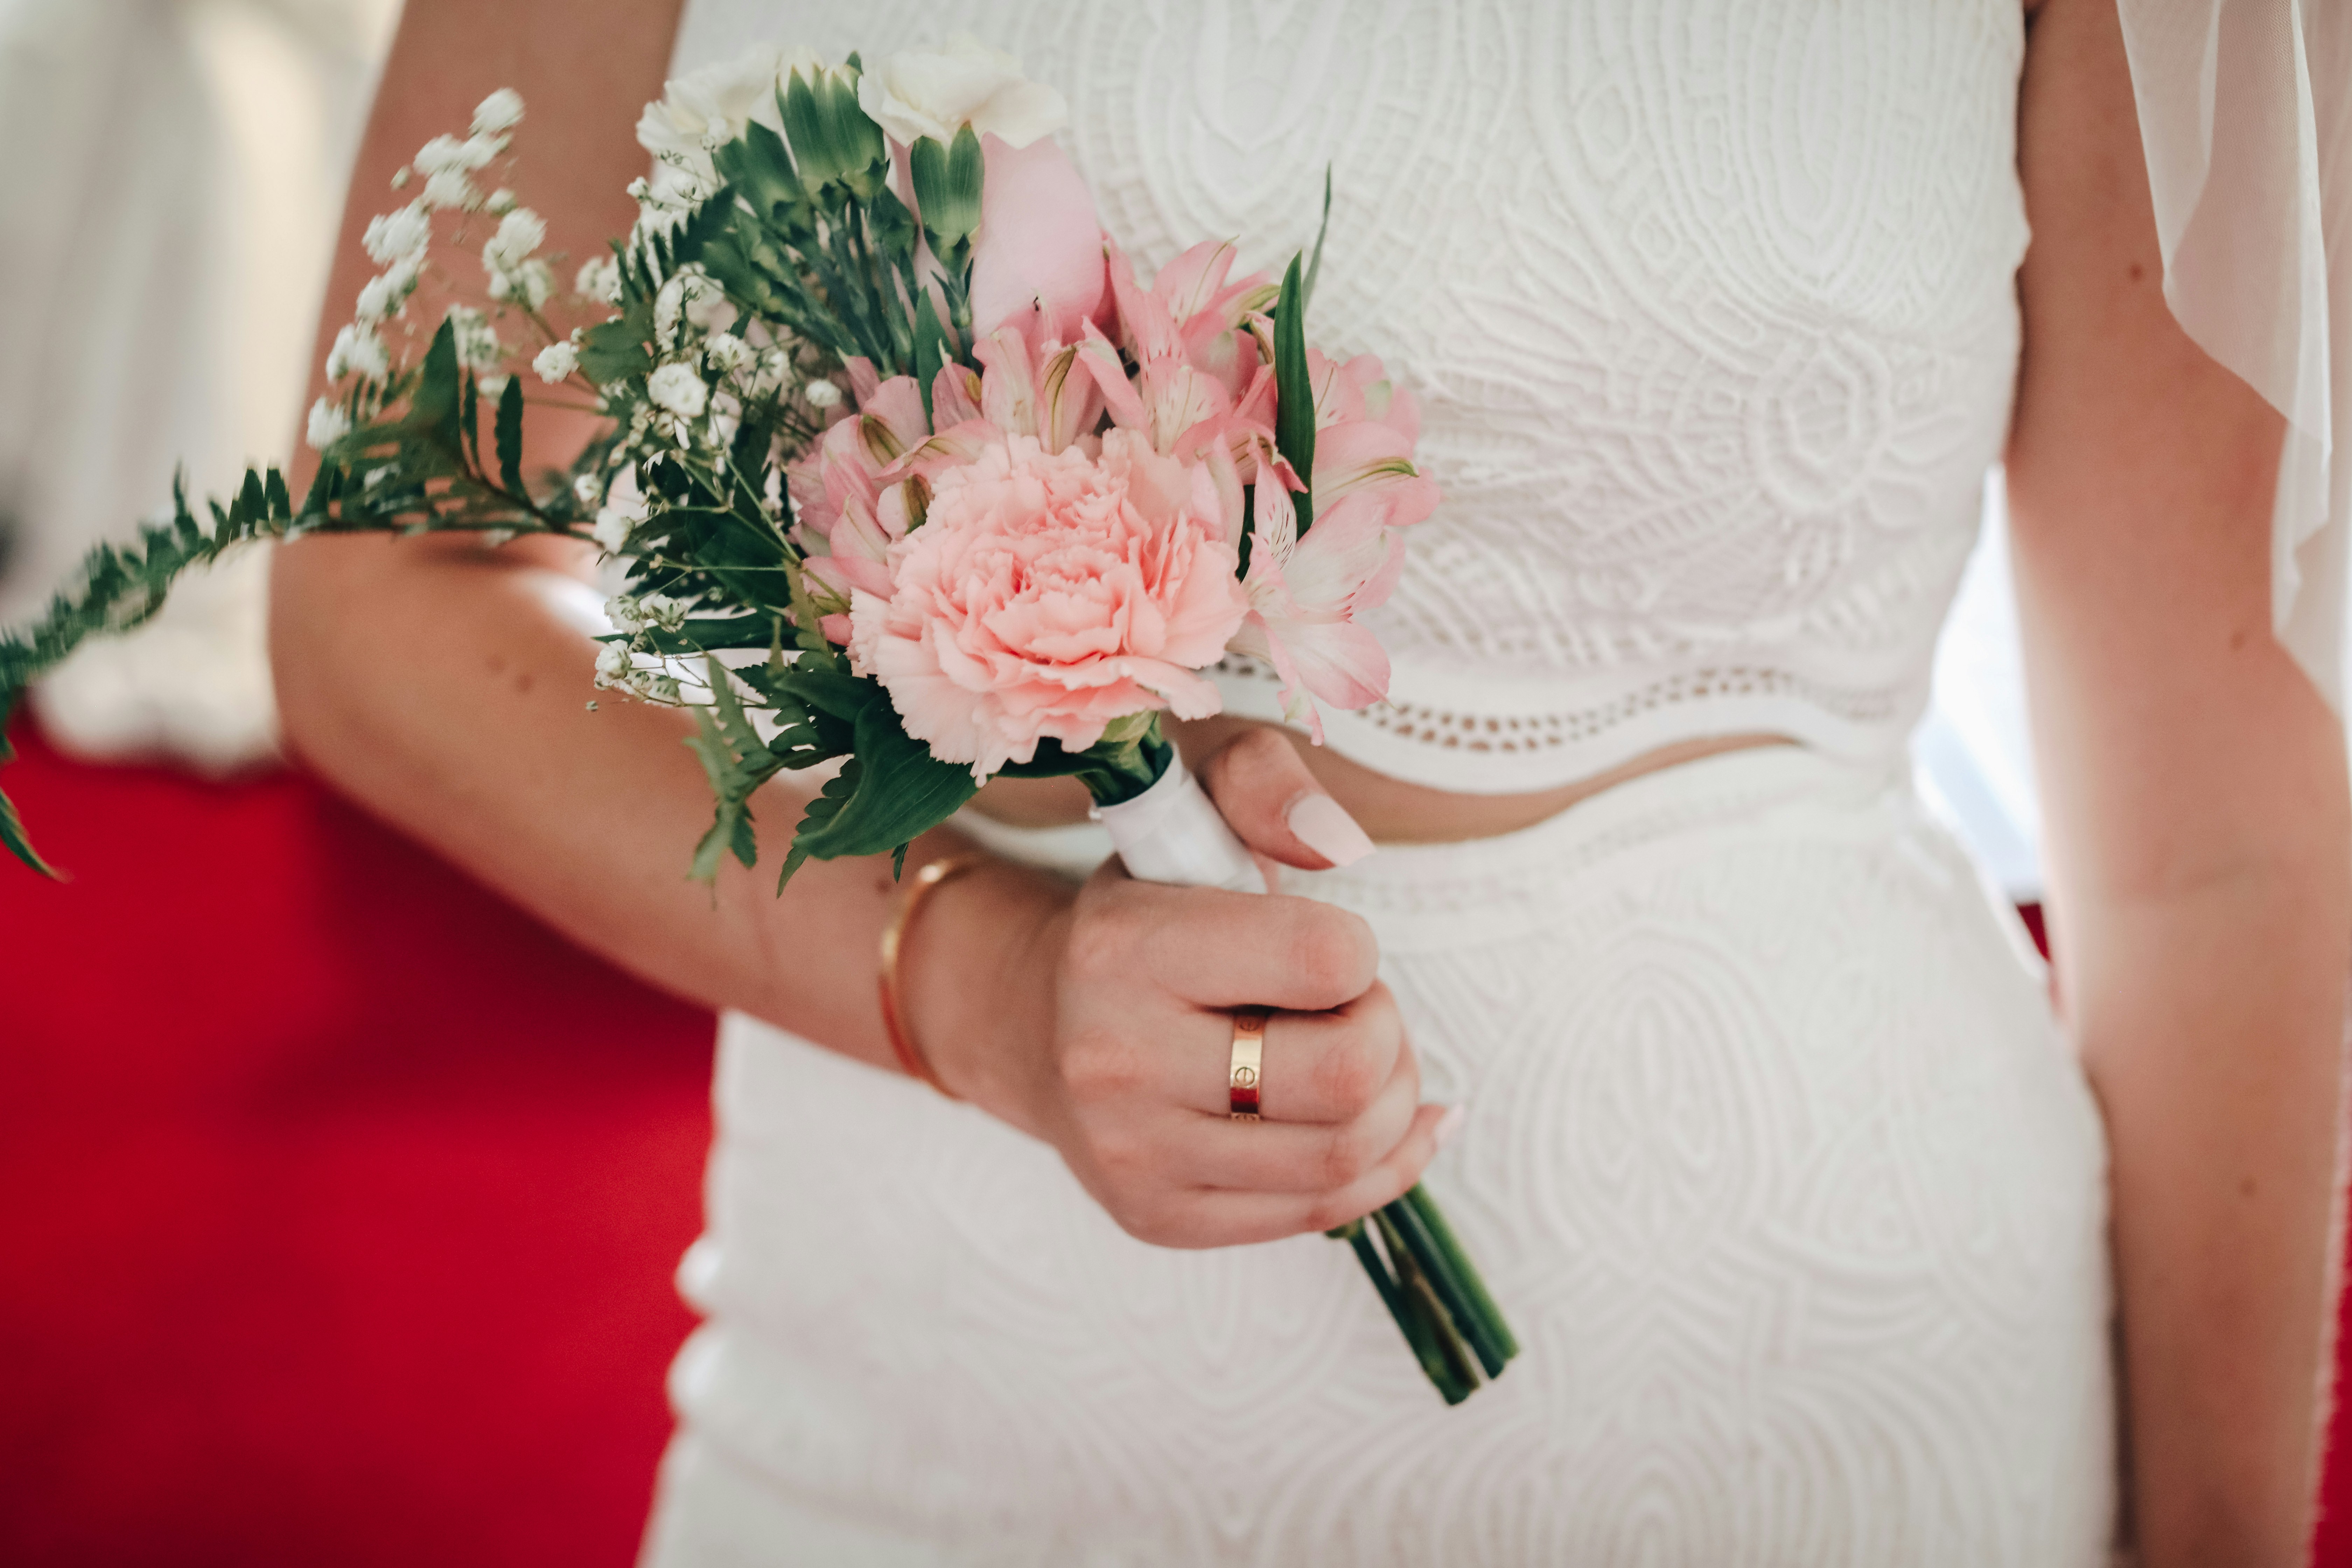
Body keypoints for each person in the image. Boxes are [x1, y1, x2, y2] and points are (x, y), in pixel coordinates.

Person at [271, 1, 2352, 1562]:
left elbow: (2216, 855)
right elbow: (389, 585)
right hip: (954, 1421)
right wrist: (978, 978)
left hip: (1833, 1425)